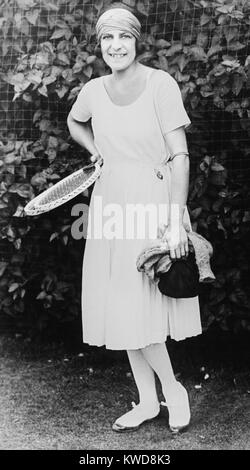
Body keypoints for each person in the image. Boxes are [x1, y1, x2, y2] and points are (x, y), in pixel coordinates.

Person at [67, 2, 202, 433]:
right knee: (125, 306)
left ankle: (172, 390)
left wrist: (175, 218)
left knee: (142, 305)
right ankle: (147, 401)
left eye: (123, 36)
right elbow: (74, 121)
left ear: (136, 41)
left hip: (153, 199)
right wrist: (95, 151)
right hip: (109, 203)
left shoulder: (160, 84)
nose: (115, 45)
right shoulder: (92, 90)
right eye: (107, 38)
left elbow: (180, 155)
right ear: (100, 45)